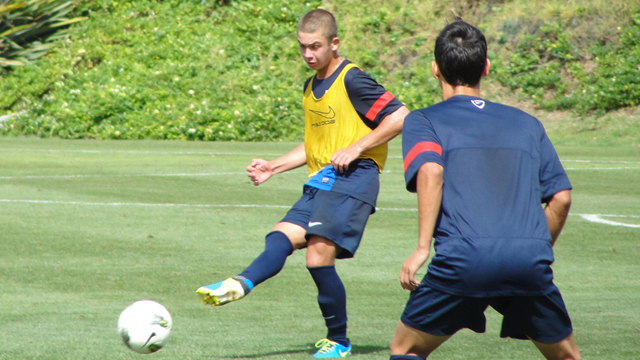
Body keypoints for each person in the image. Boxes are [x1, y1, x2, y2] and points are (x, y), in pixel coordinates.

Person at [197, 9, 409, 359]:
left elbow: (400, 116)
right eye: (302, 48)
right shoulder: (311, 85)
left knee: (316, 257)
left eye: (315, 46)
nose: (309, 54)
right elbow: (315, 144)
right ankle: (240, 282)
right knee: (280, 236)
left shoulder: (352, 79)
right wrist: (274, 166)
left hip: (355, 177)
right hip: (322, 179)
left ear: (334, 43)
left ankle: (338, 341)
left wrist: (357, 147)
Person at [389, 20, 581, 360]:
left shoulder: (424, 121)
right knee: (565, 355)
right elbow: (561, 198)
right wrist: (532, 249)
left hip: (464, 258)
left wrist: (421, 248)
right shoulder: (527, 123)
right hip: (527, 260)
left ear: (435, 69)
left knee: (406, 349)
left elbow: (431, 170)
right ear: (486, 68)